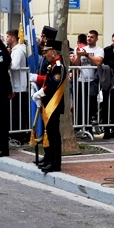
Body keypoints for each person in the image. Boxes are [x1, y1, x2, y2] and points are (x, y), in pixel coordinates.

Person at [33, 39, 67, 173]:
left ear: (53, 52)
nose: (45, 53)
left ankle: (55, 163)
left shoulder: (59, 66)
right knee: (49, 133)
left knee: (53, 134)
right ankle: (48, 158)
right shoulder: (51, 65)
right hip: (48, 103)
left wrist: (40, 93)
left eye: (47, 51)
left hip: (55, 104)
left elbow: (53, 84)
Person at [71, 30, 103, 132]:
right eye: (88, 37)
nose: (89, 38)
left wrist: (86, 55)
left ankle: (91, 121)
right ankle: (82, 126)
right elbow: (75, 64)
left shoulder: (99, 50)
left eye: (92, 37)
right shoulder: (82, 49)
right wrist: (79, 55)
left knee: (91, 97)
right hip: (81, 80)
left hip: (93, 80)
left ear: (96, 38)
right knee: (80, 103)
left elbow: (98, 61)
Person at [7, 29, 30, 142]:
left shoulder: (18, 50)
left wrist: (6, 63)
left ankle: (19, 135)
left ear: (13, 38)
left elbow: (15, 65)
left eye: (8, 36)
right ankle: (19, 133)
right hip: (17, 85)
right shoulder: (17, 50)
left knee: (18, 112)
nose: (7, 39)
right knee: (18, 112)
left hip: (19, 86)